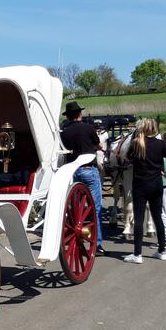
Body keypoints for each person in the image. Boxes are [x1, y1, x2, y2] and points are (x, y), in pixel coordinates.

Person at [124, 118, 166, 263]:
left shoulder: (136, 143)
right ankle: (162, 251)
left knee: (139, 219)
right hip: (157, 184)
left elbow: (126, 158)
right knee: (157, 217)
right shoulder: (160, 144)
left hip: (140, 185)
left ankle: (137, 254)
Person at [60, 100, 104, 254]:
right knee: (95, 208)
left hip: (72, 171)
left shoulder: (64, 132)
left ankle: (77, 236)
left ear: (68, 116)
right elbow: (99, 145)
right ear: (79, 114)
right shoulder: (88, 128)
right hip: (88, 169)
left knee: (76, 209)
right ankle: (96, 243)